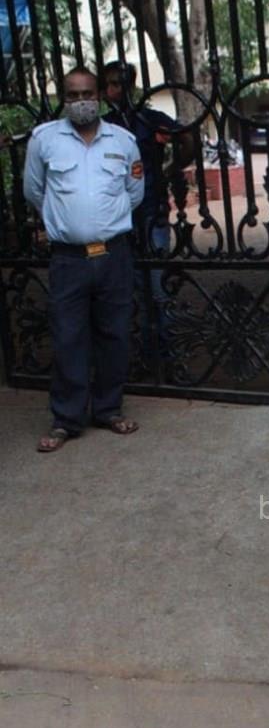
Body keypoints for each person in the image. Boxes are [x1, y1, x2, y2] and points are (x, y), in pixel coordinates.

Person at [23, 67, 144, 452]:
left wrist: (102, 222)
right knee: (68, 337)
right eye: (73, 95)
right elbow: (34, 191)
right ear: (64, 98)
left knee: (114, 334)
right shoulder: (44, 140)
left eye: (87, 94)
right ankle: (67, 419)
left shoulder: (123, 141)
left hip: (113, 255)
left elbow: (134, 192)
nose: (81, 102)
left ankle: (108, 409)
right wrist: (67, 222)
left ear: (100, 96)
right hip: (69, 259)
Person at [100, 62, 193, 362]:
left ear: (131, 86)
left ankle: (162, 352)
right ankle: (147, 351)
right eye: (108, 85)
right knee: (132, 286)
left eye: (118, 84)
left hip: (152, 210)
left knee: (155, 284)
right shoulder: (104, 125)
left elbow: (187, 139)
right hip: (118, 217)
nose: (112, 91)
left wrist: (170, 169)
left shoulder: (149, 119)